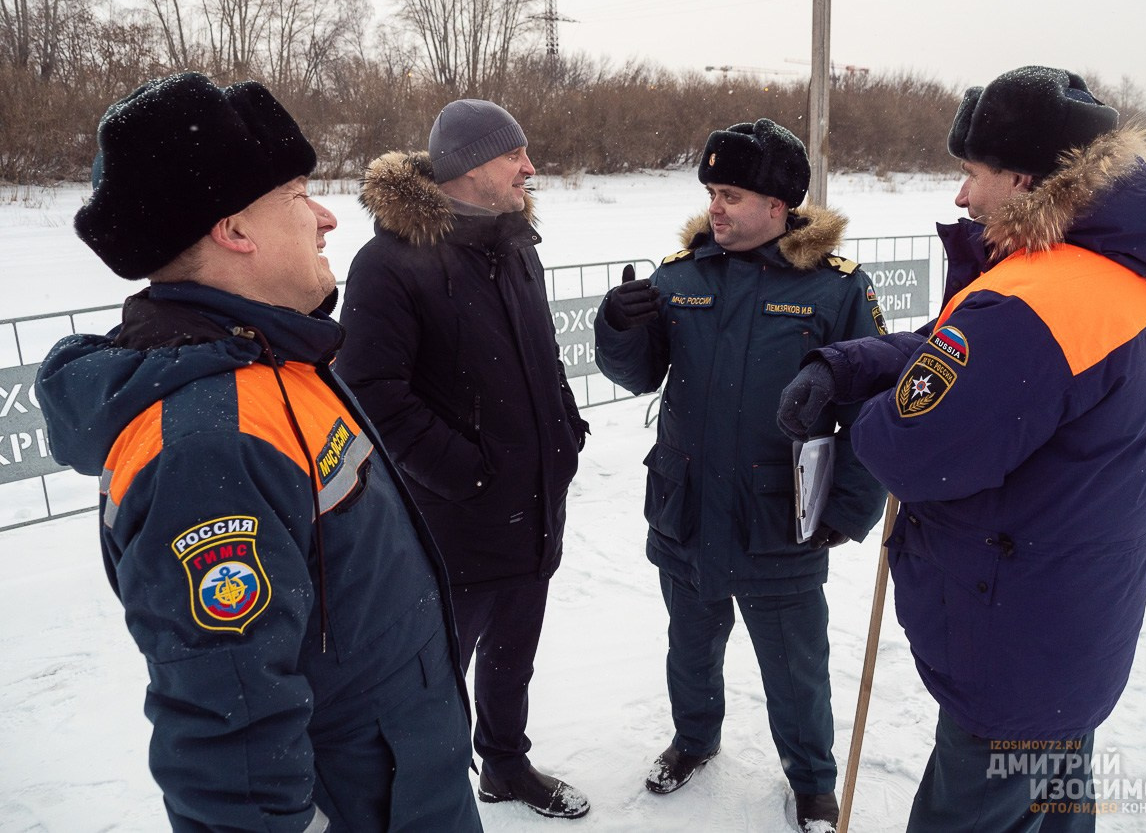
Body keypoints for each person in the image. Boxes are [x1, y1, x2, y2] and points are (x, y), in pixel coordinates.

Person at [35, 73, 483, 832]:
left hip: (404, 780)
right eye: (300, 195)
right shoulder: (213, 440)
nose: (327, 217)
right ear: (235, 231)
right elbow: (229, 748)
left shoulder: (276, 361)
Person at [778, 66, 1146, 830]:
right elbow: (971, 358)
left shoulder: (1032, 303)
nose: (961, 196)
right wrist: (849, 361)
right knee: (1054, 805)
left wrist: (869, 407)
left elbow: (910, 446)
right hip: (1071, 638)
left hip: (1014, 651)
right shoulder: (1100, 273)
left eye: (971, 174)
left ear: (1024, 177)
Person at [593, 118, 888, 832]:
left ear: (777, 208)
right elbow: (637, 376)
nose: (714, 207)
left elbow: (872, 409)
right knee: (690, 646)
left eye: (730, 194)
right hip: (686, 507)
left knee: (795, 668)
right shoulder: (681, 273)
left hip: (777, 516)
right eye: (711, 191)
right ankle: (694, 741)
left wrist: (850, 506)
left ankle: (814, 781)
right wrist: (618, 327)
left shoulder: (834, 290)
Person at [335, 99, 591, 820]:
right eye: (517, 155)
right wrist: (467, 472)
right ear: (473, 166)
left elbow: (544, 359)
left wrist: (564, 435)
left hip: (533, 505)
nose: (530, 168)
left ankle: (505, 766)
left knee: (514, 659)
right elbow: (372, 396)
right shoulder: (389, 263)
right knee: (430, 679)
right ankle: (425, 799)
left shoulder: (515, 245)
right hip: (453, 524)